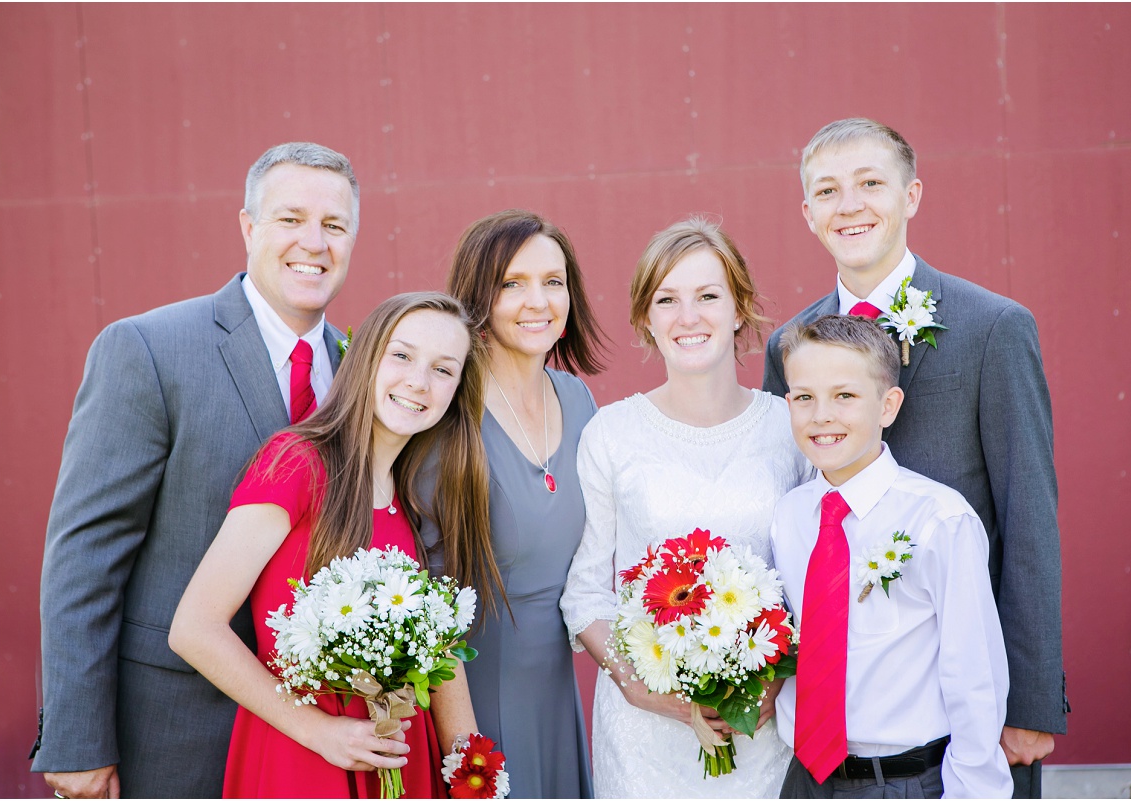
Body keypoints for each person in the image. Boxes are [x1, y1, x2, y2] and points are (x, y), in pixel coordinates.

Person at [33, 142, 359, 798]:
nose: (314, 243)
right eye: (290, 218)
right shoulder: (149, 349)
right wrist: (75, 738)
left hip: (314, 736)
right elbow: (85, 553)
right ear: (247, 227)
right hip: (176, 728)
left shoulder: (362, 372)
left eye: (335, 225)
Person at [762, 118, 1065, 798]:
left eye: (871, 183)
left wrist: (1032, 701)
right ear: (808, 212)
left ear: (912, 195)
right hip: (835, 728)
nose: (851, 205)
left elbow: (1029, 518)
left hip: (964, 709)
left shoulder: (993, 327)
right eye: (828, 191)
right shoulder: (787, 347)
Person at [169, 292, 493, 797]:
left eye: (443, 370)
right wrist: (319, 732)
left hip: (395, 756)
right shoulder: (298, 462)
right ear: (365, 357)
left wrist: (471, 776)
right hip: (302, 755)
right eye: (402, 355)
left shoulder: (410, 501)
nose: (418, 381)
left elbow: (441, 661)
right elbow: (194, 628)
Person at [561, 217, 812, 798]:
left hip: (763, 725)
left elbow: (813, 580)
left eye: (707, 296)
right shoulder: (611, 433)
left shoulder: (788, 426)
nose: (688, 316)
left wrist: (771, 687)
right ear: (646, 318)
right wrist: (649, 693)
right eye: (666, 300)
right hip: (644, 737)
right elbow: (586, 590)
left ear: (739, 307)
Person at [770, 314, 1012, 798]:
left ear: (888, 405)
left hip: (901, 780)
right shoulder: (790, 515)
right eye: (804, 398)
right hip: (803, 780)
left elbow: (975, 679)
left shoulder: (939, 521)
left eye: (845, 396)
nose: (822, 415)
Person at [416, 209, 607, 799]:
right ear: (479, 295)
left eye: (553, 282)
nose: (538, 301)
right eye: (512, 284)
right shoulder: (447, 414)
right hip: (477, 692)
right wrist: (463, 751)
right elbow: (427, 595)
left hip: (557, 685)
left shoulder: (578, 400)